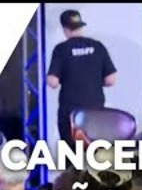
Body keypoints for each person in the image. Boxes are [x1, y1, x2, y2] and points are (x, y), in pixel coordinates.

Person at [46, 10, 117, 150]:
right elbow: (111, 80)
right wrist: (93, 81)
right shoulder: (98, 46)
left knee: (72, 153)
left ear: (65, 29)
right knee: (95, 152)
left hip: (70, 113)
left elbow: (53, 82)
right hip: (95, 111)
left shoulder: (61, 49)